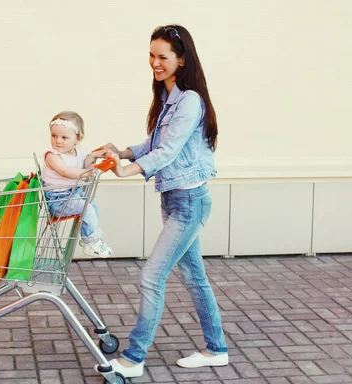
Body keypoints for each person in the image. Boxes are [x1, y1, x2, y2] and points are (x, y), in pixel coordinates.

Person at [98, 25, 228, 378]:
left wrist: (128, 171)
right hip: (175, 200)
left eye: (163, 57)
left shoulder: (189, 101)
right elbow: (154, 142)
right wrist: (120, 152)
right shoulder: (169, 98)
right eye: (152, 56)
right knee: (195, 278)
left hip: (189, 202)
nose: (155, 63)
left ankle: (134, 357)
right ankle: (217, 349)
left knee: (152, 276)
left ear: (182, 59)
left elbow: (167, 151)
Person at [41, 111, 113, 257]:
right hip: (58, 200)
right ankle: (90, 242)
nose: (58, 141)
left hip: (73, 193)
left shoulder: (78, 151)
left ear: (78, 139)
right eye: (54, 136)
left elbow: (84, 163)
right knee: (85, 207)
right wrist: (86, 173)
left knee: (92, 204)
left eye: (64, 137)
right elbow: (65, 171)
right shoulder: (52, 156)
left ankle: (92, 238)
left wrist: (93, 156)